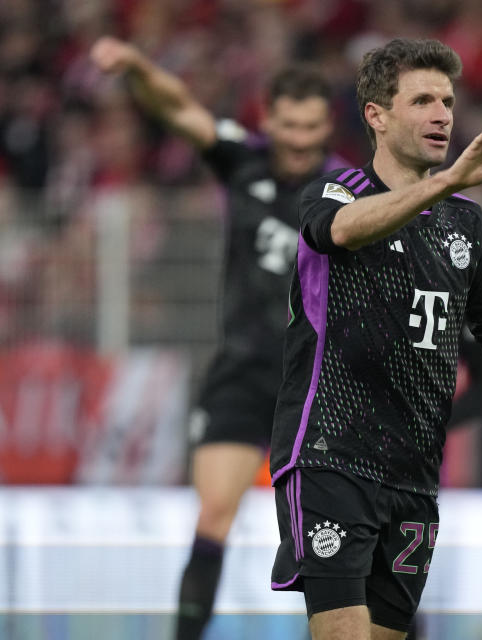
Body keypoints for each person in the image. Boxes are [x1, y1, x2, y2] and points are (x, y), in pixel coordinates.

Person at [269, 38, 482, 640]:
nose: (442, 115)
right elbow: (341, 232)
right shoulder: (337, 191)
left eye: (448, 101)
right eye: (422, 99)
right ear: (376, 115)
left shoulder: (467, 224)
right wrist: (448, 180)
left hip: (415, 473)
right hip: (330, 456)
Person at [90, 37, 346, 640]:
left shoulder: (348, 189)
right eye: (290, 126)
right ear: (269, 118)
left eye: (312, 127)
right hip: (241, 371)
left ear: (327, 124)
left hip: (317, 382)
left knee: (344, 533)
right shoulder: (243, 159)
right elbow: (177, 106)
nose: (301, 140)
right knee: (213, 517)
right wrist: (136, 66)